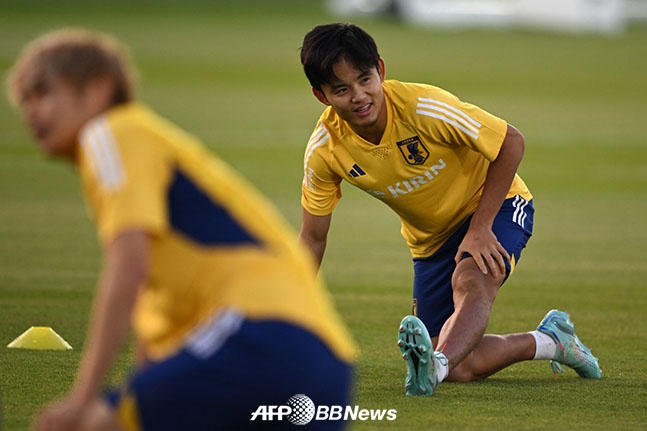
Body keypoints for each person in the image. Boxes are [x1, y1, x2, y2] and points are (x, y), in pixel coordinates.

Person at [7, 29, 356, 430]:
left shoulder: (111, 133)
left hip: (259, 333)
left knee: (98, 423)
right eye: (25, 101)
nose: (31, 112)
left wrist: (83, 399)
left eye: (43, 93)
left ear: (99, 88)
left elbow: (128, 266)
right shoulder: (145, 157)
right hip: (326, 361)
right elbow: (157, 312)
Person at [297, 23, 601, 396]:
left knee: (471, 282)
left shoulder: (424, 107)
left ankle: (435, 367)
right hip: (429, 243)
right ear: (321, 95)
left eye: (365, 79)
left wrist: (480, 228)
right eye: (342, 89)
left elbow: (511, 142)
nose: (359, 96)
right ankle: (552, 341)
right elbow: (312, 238)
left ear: (381, 70)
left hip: (496, 207)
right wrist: (288, 310)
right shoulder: (324, 150)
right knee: (462, 365)